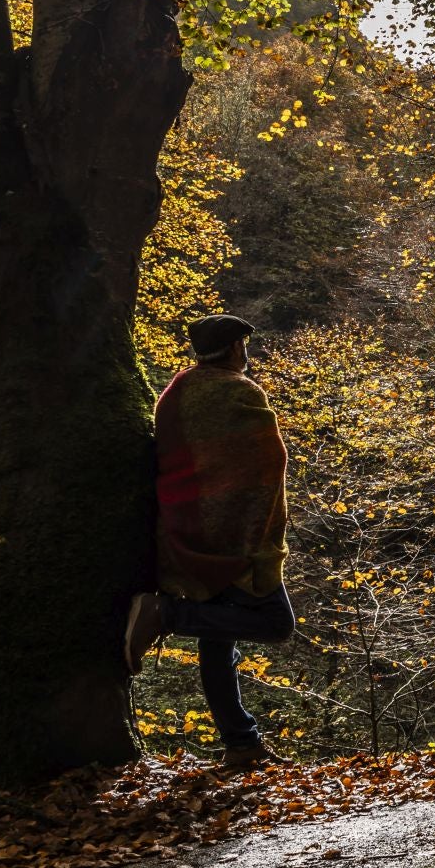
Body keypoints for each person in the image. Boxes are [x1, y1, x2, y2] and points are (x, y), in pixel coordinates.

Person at [124, 314, 295, 769]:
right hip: (234, 537)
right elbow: (263, 462)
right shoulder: (238, 391)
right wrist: (258, 526)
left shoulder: (176, 392)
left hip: (188, 529)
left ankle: (241, 743)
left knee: (218, 638)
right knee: (276, 623)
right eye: (244, 345)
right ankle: (165, 614)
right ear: (237, 347)